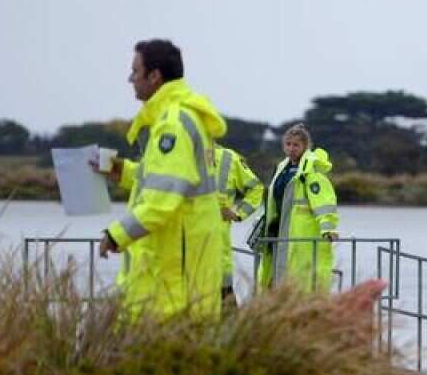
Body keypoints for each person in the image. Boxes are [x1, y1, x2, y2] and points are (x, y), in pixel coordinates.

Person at [97, 39, 227, 320]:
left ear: (154, 76)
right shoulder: (180, 116)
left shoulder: (173, 123)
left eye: (135, 71)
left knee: (168, 350)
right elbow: (168, 180)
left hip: (176, 269)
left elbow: (163, 197)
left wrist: (116, 235)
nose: (130, 78)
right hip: (183, 258)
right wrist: (123, 172)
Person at [256, 124, 339, 292]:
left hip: (302, 234)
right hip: (278, 230)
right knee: (275, 274)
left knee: (300, 277)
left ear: (305, 146)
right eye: (288, 144)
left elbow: (324, 203)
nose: (291, 149)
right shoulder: (282, 169)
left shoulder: (310, 173)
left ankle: (300, 309)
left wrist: (328, 228)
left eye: (296, 145)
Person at [214, 144, 264, 308]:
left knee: (224, 303)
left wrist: (238, 213)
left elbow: (256, 188)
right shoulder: (183, 153)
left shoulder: (228, 158)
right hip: (184, 244)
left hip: (218, 245)